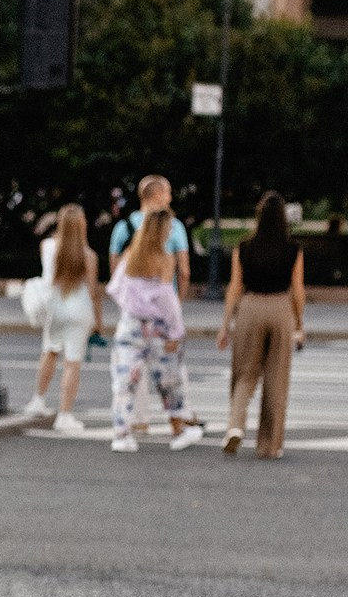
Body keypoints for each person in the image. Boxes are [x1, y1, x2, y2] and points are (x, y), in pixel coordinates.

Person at [108, 206, 204, 453]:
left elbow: (115, 287)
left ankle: (122, 433)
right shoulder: (164, 259)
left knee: (124, 380)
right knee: (169, 379)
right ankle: (179, 428)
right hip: (158, 328)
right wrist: (176, 331)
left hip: (130, 324)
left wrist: (132, 306)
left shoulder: (131, 255)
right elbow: (167, 300)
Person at [216, 191, 305, 457]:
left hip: (250, 307)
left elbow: (234, 287)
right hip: (280, 308)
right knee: (277, 377)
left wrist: (225, 324)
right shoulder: (293, 250)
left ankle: (235, 425)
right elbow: (298, 290)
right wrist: (299, 321)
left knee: (245, 372)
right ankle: (269, 445)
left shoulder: (244, 247)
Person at [25, 203, 103, 433]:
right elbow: (93, 292)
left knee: (49, 352)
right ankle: (65, 415)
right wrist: (98, 322)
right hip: (79, 311)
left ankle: (38, 400)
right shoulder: (89, 255)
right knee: (72, 362)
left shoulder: (47, 246)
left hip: (55, 309)